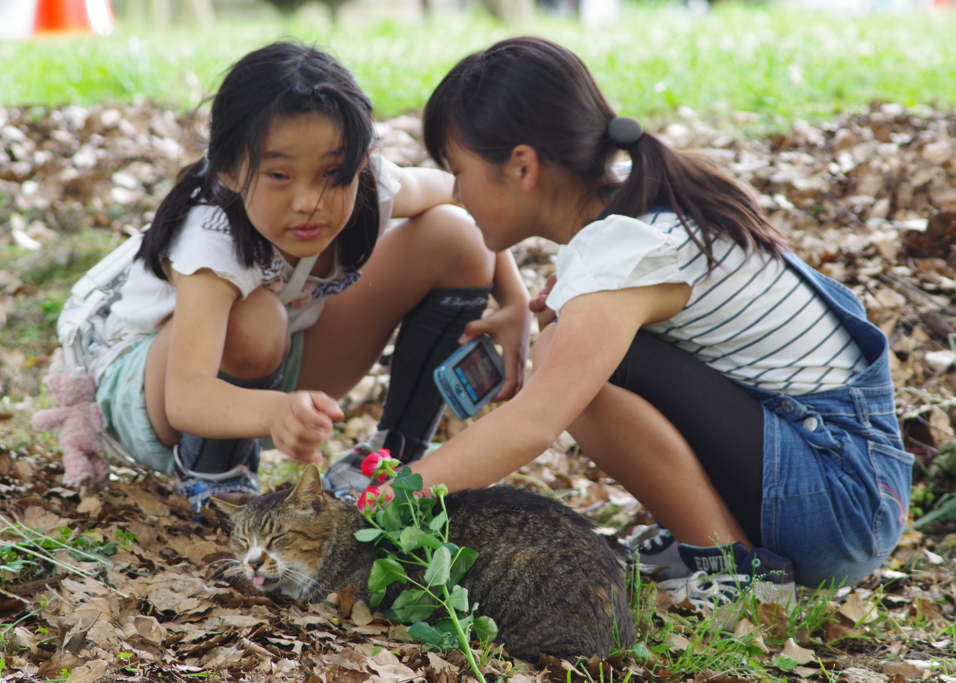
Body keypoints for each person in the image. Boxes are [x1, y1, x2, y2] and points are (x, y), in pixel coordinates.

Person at [404, 36, 912, 603]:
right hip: (849, 487)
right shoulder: (644, 215)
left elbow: (533, 424)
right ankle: (725, 547)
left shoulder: (623, 253)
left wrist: (390, 497)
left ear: (522, 166)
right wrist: (527, 309)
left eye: (458, 172)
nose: (455, 192)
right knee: (567, 345)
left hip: (838, 502)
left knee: (563, 362)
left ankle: (735, 571)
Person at [78, 42, 529, 512]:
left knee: (456, 237)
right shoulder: (211, 237)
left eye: (332, 172)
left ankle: (388, 461)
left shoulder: (370, 186)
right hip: (153, 392)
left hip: (280, 354)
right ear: (231, 169)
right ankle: (212, 473)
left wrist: (514, 301)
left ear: (362, 160)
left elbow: (466, 197)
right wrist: (273, 412)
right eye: (279, 175)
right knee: (255, 318)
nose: (309, 201)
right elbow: (185, 396)